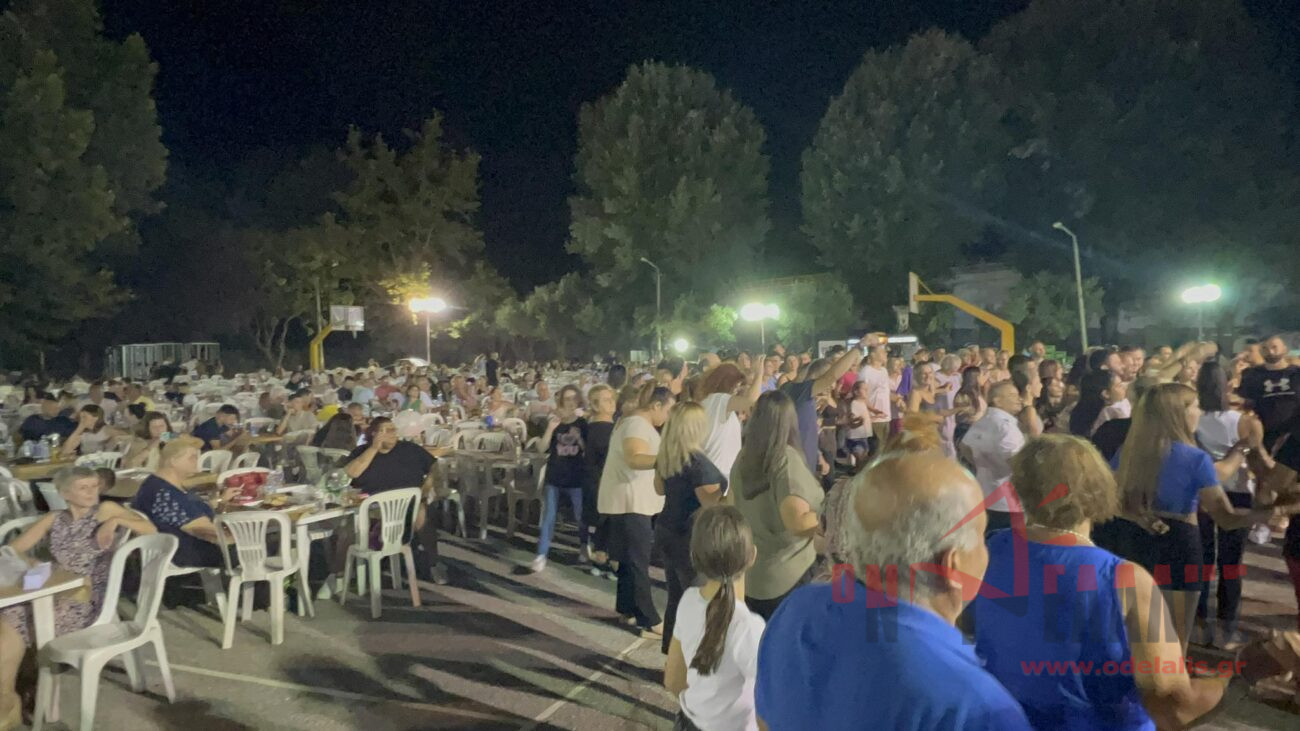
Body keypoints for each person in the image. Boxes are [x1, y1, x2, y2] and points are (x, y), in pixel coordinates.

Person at [974, 435, 1250, 730]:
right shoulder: (1124, 580)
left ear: (1018, 488)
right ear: (1101, 490)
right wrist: (1246, 673)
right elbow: (1174, 707)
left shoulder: (989, 550)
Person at [755, 450, 1032, 731]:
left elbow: (764, 721)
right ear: (952, 565)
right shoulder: (980, 711)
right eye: (981, 536)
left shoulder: (798, 611)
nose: (986, 549)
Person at [1095, 383, 1290, 652]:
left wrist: (1139, 515)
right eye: (1195, 406)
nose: (1199, 412)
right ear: (1179, 414)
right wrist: (1272, 512)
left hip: (1135, 541)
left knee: (1133, 633)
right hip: (1179, 545)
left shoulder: (1129, 451)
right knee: (1174, 640)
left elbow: (1111, 499)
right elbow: (1226, 517)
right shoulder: (1195, 459)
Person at [0, 467, 156, 728]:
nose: (92, 492)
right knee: (10, 614)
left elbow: (151, 530)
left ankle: (17, 696)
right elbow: (13, 549)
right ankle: (10, 697)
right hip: (53, 588)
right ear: (65, 493)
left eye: (94, 486)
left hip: (86, 596)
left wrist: (116, 521)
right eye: (84, 488)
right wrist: (34, 563)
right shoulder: (54, 518)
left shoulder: (105, 510)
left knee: (19, 619)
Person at [663, 506, 763, 731]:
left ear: (695, 557)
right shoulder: (749, 627)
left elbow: (673, 679)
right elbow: (773, 699)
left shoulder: (688, 601)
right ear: (752, 556)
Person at [731, 391, 823, 620]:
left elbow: (732, 507)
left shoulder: (743, 458)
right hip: (789, 576)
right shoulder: (785, 460)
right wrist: (829, 513)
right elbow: (797, 523)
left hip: (754, 577)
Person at [599, 385, 674, 637]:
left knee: (628, 560)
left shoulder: (631, 423)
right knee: (638, 560)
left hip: (628, 501)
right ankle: (648, 617)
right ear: (656, 405)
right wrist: (669, 459)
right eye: (668, 410)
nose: (668, 417)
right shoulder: (637, 426)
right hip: (631, 502)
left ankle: (627, 608)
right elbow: (634, 458)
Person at [1194, 361, 1259, 647]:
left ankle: (1198, 624)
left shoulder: (1192, 418)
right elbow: (1256, 460)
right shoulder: (1243, 421)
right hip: (1238, 492)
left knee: (1202, 559)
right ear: (1228, 383)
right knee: (1231, 563)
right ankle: (1227, 628)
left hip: (1203, 492)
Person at [654, 402, 727, 653]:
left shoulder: (669, 457)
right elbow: (711, 503)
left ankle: (671, 654)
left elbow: (659, 489)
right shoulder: (698, 464)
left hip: (667, 528)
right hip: (690, 536)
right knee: (697, 601)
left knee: (676, 599)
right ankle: (691, 658)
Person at [343, 417, 448, 585]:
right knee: (346, 525)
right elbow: (352, 473)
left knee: (422, 515)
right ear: (374, 434)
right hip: (372, 506)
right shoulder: (361, 452)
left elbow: (434, 465)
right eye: (387, 430)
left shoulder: (409, 449)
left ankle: (433, 562)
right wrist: (374, 448)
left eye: (394, 430)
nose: (393, 434)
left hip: (408, 504)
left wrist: (428, 485)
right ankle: (339, 574)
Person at [131, 437, 235, 568]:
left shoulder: (158, 484)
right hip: (190, 553)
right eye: (192, 457)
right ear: (173, 461)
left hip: (179, 547)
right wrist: (244, 536)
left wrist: (220, 501)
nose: (197, 461)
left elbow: (191, 510)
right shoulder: (166, 494)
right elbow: (209, 534)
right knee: (258, 546)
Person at [780, 335, 872, 474]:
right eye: (829, 384)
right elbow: (831, 376)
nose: (832, 386)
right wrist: (859, 346)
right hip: (796, 466)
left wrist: (819, 457)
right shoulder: (799, 391)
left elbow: (810, 428)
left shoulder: (803, 396)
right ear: (818, 377)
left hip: (806, 462)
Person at [532, 385, 589, 573]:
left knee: (580, 516)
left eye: (574, 398)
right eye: (567, 399)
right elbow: (541, 448)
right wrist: (550, 428)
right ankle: (541, 554)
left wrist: (579, 439)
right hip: (555, 476)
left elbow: (588, 452)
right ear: (561, 401)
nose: (570, 402)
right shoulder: (554, 421)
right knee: (549, 516)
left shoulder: (583, 423)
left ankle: (583, 547)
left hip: (576, 477)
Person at [959, 381, 1025, 535]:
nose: (1019, 399)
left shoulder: (983, 421)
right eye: (1012, 395)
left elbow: (965, 446)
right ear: (997, 401)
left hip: (985, 493)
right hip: (1008, 501)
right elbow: (1014, 459)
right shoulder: (1006, 427)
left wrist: (982, 464)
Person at [697, 359, 764, 481]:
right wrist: (759, 375)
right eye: (736, 385)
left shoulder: (709, 402)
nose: (737, 390)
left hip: (712, 471)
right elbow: (751, 401)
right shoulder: (719, 399)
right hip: (720, 473)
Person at [584, 384, 618, 576]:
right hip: (602, 483)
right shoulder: (602, 430)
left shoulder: (590, 428)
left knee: (604, 526)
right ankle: (606, 561)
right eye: (606, 400)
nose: (612, 402)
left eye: (612, 398)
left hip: (599, 483)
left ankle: (600, 559)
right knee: (608, 524)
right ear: (595, 405)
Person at [856, 344, 893, 458]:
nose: (886, 354)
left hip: (886, 417)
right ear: (872, 354)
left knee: (884, 451)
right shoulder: (866, 372)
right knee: (876, 451)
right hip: (874, 418)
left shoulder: (884, 371)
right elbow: (861, 396)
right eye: (882, 352)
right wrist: (873, 412)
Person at [952, 366, 985, 448]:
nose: (984, 377)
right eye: (982, 375)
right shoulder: (964, 394)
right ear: (976, 377)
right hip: (966, 430)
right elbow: (966, 413)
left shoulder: (977, 393)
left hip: (977, 429)